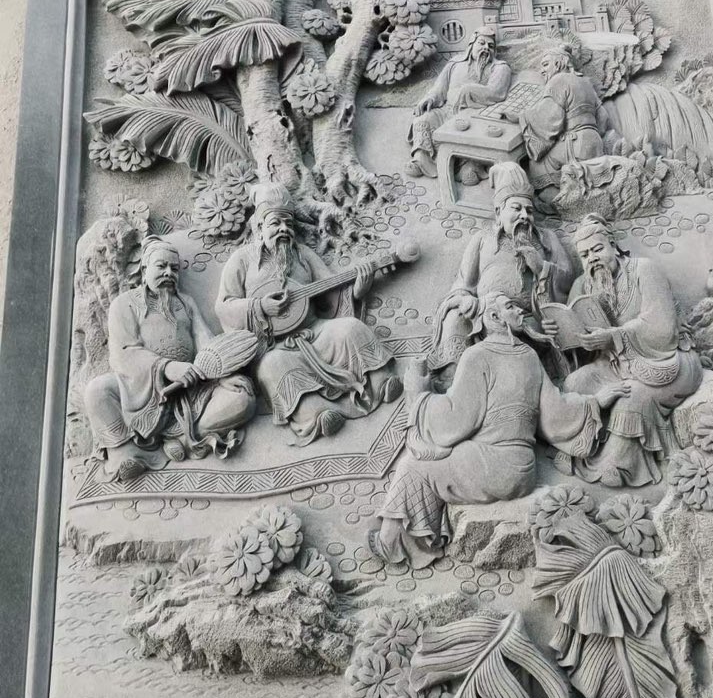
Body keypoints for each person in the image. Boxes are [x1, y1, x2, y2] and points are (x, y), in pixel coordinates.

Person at [371, 294, 628, 567]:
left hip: (492, 464)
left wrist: (419, 394)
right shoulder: (528, 356)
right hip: (523, 469)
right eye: (510, 307)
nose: (519, 311)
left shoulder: (477, 355)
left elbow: (456, 421)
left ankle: (394, 544)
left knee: (412, 466)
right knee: (431, 461)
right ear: (494, 317)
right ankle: (422, 533)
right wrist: (594, 402)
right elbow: (555, 415)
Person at [215, 184, 402, 444]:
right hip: (273, 345)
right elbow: (224, 306)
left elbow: (332, 291)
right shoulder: (241, 260)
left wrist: (358, 289)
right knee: (272, 366)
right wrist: (259, 306)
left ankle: (380, 383)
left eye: (288, 224)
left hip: (315, 331)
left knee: (349, 328)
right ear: (259, 227)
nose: (284, 229)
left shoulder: (303, 255)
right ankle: (315, 413)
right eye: (275, 223)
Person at [85, 237, 256, 482]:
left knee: (242, 397)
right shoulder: (124, 304)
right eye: (161, 266)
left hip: (190, 390)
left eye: (174, 269)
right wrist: (166, 367)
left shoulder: (186, 303)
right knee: (98, 390)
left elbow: (204, 341)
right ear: (145, 270)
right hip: (140, 390)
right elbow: (124, 352)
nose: (169, 273)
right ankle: (125, 452)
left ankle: (185, 439)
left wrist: (221, 374)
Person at [556, 214, 703, 487]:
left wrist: (613, 336)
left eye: (597, 249)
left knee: (631, 396)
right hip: (615, 364)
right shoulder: (582, 285)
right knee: (576, 383)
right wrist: (562, 334)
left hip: (664, 359)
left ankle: (617, 466)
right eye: (585, 255)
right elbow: (578, 338)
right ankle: (581, 448)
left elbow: (662, 328)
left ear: (612, 245)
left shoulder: (644, 270)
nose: (592, 259)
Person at [429, 161, 573, 371]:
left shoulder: (546, 239)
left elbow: (568, 278)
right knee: (454, 319)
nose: (525, 216)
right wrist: (464, 299)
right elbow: (463, 284)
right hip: (482, 313)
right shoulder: (482, 239)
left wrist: (541, 267)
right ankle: (452, 379)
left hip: (525, 317)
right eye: (516, 208)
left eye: (529, 211)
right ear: (499, 212)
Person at [407, 26, 512, 178]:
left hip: (473, 114)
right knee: (423, 120)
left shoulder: (500, 68)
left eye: (491, 46)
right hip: (447, 111)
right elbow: (440, 88)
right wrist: (430, 98)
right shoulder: (455, 63)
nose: (486, 48)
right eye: (481, 43)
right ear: (471, 44)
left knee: (469, 133)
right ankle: (421, 161)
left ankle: (468, 167)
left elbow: (496, 93)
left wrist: (469, 89)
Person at [511, 48, 608, 210]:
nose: (542, 70)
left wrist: (522, 116)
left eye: (545, 64)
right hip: (595, 141)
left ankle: (558, 204)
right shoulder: (586, 83)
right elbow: (603, 118)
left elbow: (550, 117)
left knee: (538, 163)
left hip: (573, 143)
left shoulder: (558, 80)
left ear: (558, 63)